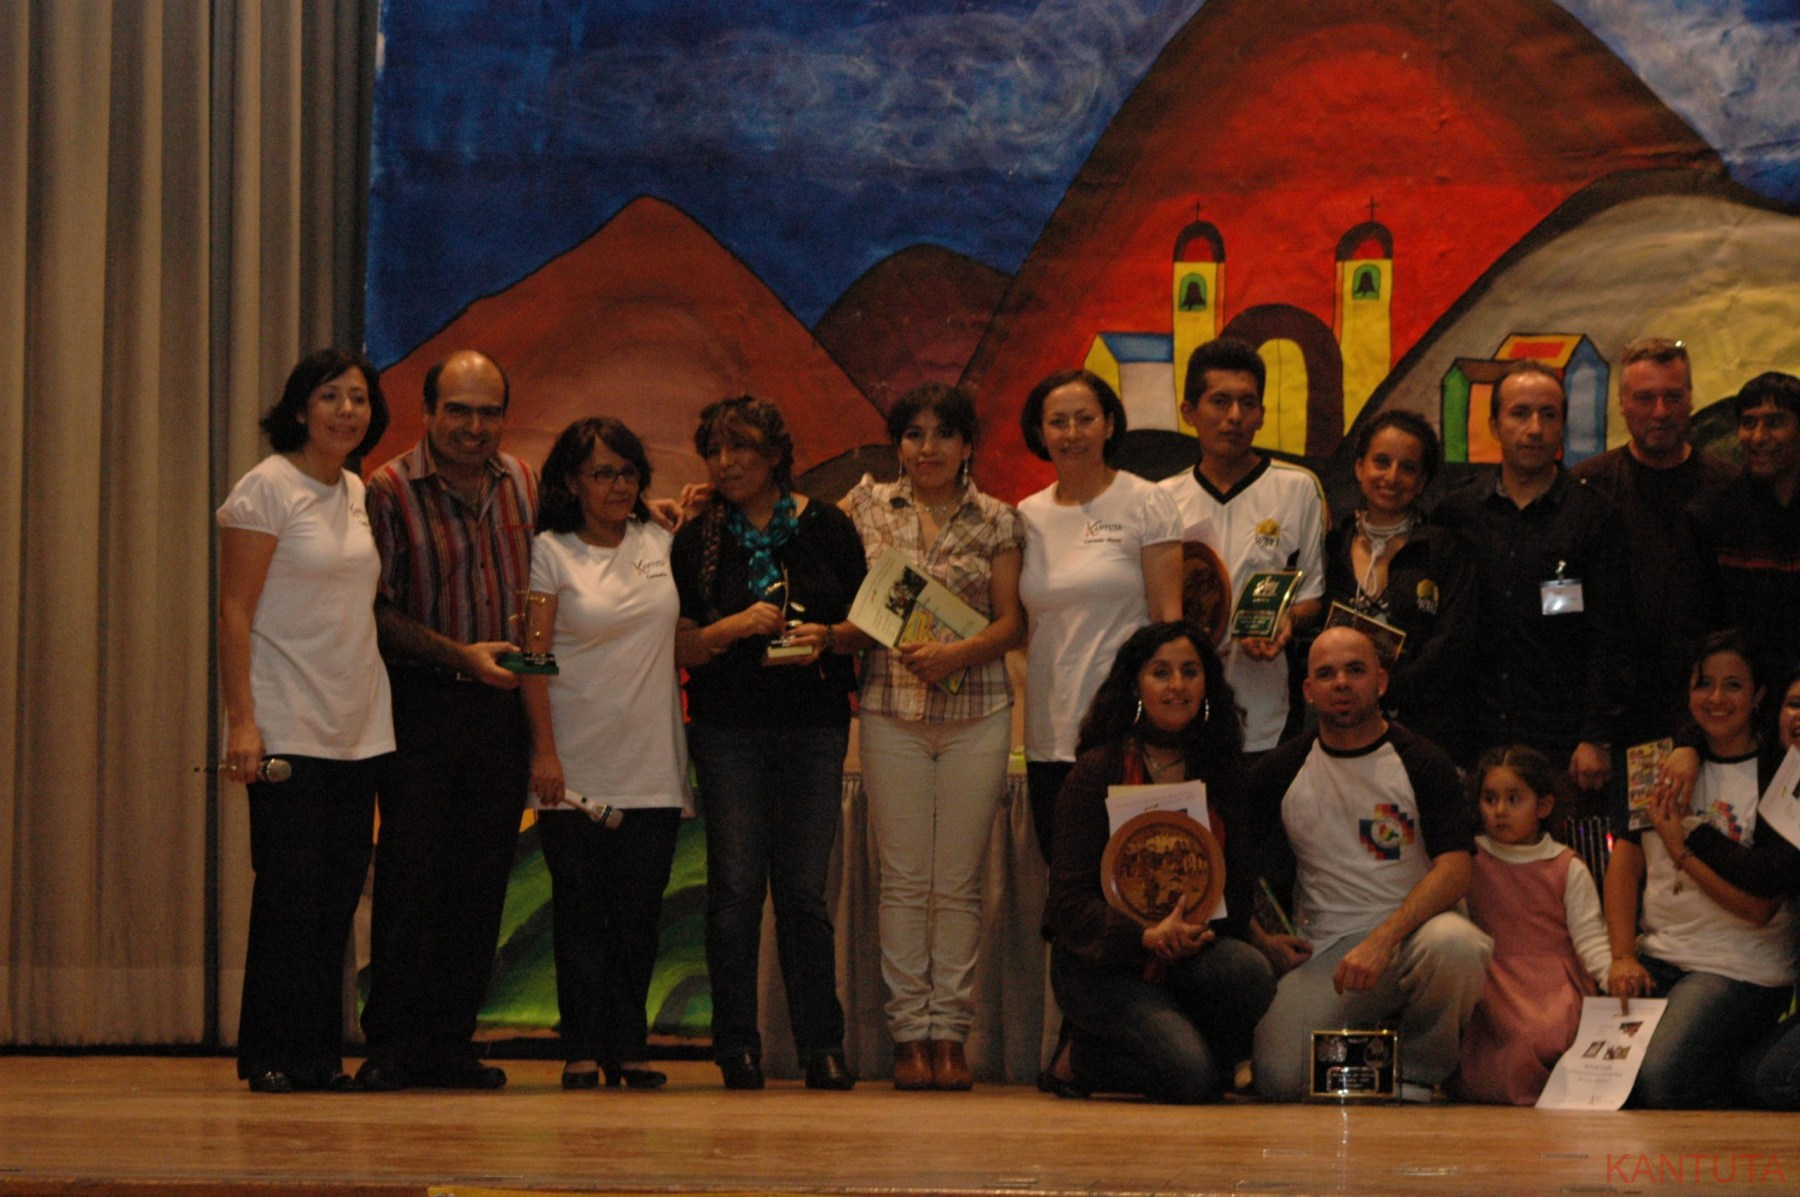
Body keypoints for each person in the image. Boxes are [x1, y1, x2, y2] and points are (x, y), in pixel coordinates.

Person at [672, 395, 868, 1091]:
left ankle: (822, 1045)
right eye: (715, 450)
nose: (726, 463)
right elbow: (681, 646)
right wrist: (730, 628)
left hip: (815, 727)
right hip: (726, 729)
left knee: (803, 893)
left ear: (777, 454)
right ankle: (735, 1046)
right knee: (733, 891)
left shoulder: (828, 525)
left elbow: (877, 622)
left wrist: (829, 637)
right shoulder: (696, 537)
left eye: (742, 448)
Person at [216, 348, 394, 1092]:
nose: (346, 410)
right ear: (300, 408)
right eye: (330, 396)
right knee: (290, 892)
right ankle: (269, 1052)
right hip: (286, 720)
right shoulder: (267, 487)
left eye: (358, 398)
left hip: (358, 723)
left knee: (337, 895)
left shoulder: (356, 491)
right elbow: (233, 612)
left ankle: (318, 1053)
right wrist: (243, 722)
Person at [358, 349, 535, 1091]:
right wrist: (460, 657)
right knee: (411, 877)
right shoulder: (388, 489)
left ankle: (450, 1042)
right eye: (458, 410)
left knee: (480, 880)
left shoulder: (522, 480)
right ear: (428, 411)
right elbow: (373, 612)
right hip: (420, 707)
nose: (474, 426)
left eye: (489, 412)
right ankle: (394, 1045)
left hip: (502, 712)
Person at [839, 384, 1025, 1090]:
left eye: (944, 433)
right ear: (898, 444)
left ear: (968, 443)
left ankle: (950, 1033)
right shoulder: (866, 507)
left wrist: (957, 654)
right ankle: (907, 1036)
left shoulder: (998, 518)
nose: (928, 448)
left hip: (978, 712)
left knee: (956, 883)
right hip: (891, 711)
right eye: (913, 434)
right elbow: (802, 536)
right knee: (904, 882)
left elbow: (1011, 623)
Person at [1245, 627, 1492, 1101]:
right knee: (1279, 1080)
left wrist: (1382, 942)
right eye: (1326, 674)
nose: (1341, 683)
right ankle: (1373, 1048)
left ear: (1380, 681)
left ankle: (1418, 1073)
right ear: (1308, 690)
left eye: (1355, 670)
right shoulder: (1279, 771)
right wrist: (1261, 939)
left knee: (1459, 944)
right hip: (1328, 953)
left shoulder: (1424, 762)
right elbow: (1228, 863)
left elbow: (1456, 870)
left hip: (1413, 941)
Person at [521, 418, 691, 1091]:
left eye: (628, 472)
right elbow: (533, 657)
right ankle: (581, 1050)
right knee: (579, 911)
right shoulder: (549, 552)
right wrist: (545, 753)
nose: (618, 486)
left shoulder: (662, 540)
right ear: (572, 481)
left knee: (639, 917)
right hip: (572, 765)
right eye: (602, 473)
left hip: (652, 763)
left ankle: (629, 1046)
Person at [1041, 622, 1276, 1103]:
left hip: (1188, 953)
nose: (1177, 685)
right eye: (1161, 672)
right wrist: (1145, 936)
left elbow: (1235, 887)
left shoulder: (1223, 771)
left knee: (1250, 972)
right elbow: (1067, 905)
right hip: (1101, 964)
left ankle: (1175, 1045)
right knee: (1192, 1077)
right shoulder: (1097, 771)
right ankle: (1081, 1057)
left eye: (1190, 671)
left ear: (1206, 684)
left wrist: (1197, 931)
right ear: (1136, 685)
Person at [1604, 630, 1796, 1107]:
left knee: (1657, 1079)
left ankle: (1746, 1072)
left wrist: (1681, 850)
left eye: (1733, 686)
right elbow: (1625, 865)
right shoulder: (1659, 761)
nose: (1716, 698)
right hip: (1658, 956)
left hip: (1738, 967)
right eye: (1703, 684)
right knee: (1600, 1078)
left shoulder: (1782, 772)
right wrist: (1623, 954)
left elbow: (1760, 910)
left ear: (1759, 695)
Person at [1435, 359, 1629, 790]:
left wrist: (1596, 736)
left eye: (1548, 414)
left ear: (1562, 426)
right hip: (1473, 737)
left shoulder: (1594, 517)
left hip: (1560, 740)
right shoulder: (1458, 512)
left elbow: (1610, 635)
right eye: (1520, 413)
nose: (1535, 429)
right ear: (1494, 424)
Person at [1017, 369, 1183, 862]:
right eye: (1058, 422)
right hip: (1048, 735)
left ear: (1109, 424)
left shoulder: (1147, 501)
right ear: (1040, 432)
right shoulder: (1025, 515)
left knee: (1137, 877)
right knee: (1065, 879)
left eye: (1085, 418)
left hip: (1125, 732)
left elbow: (1168, 625)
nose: (1072, 433)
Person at [1159, 338, 1326, 756]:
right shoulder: (1160, 499)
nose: (1234, 416)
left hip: (1266, 712)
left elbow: (1312, 597)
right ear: (1189, 412)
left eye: (1247, 403)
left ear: (1261, 415)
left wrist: (1286, 619)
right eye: (1220, 402)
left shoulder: (1297, 489)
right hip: (1180, 708)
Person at [1571, 338, 1735, 750]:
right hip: (1606, 713)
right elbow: (1562, 600)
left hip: (1709, 708)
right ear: (1623, 405)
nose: (1660, 412)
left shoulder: (1728, 490)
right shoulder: (1587, 488)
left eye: (1672, 397)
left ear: (1690, 401)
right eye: (1645, 398)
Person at [1451, 746, 1610, 1105]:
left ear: (1544, 806)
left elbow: (1590, 939)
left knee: (1549, 1030)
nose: (1500, 811)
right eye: (1490, 799)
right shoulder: (1469, 861)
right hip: (1494, 982)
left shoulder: (1566, 866)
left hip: (1555, 984)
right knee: (1513, 1033)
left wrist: (1612, 976)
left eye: (1514, 799)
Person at [1323, 410, 1473, 758]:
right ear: (1359, 467)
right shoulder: (1332, 544)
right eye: (1381, 462)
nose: (1392, 477)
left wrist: (1381, 690)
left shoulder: (1443, 549)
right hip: (1339, 729)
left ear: (1422, 481)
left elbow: (1451, 646)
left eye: (1407, 467)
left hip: (1422, 732)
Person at [1689, 371, 1800, 681]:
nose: (1759, 437)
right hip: (1742, 695)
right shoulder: (1711, 516)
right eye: (1749, 423)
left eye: (1775, 422)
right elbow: (1697, 626)